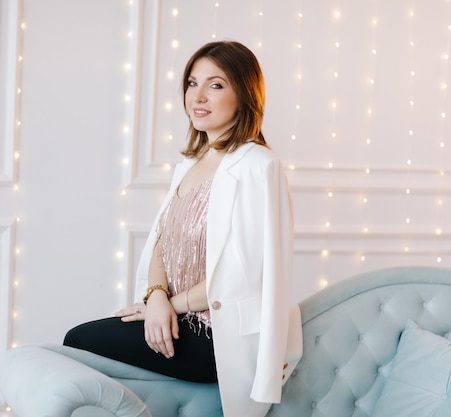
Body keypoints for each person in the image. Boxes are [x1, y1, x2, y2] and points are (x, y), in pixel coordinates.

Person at [64, 40, 302, 417]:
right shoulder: (190, 164)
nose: (199, 96)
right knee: (81, 342)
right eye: (193, 83)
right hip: (174, 317)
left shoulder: (259, 167)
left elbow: (245, 276)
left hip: (216, 335)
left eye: (216, 84)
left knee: (79, 340)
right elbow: (162, 241)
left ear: (245, 94)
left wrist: (168, 308)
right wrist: (156, 297)